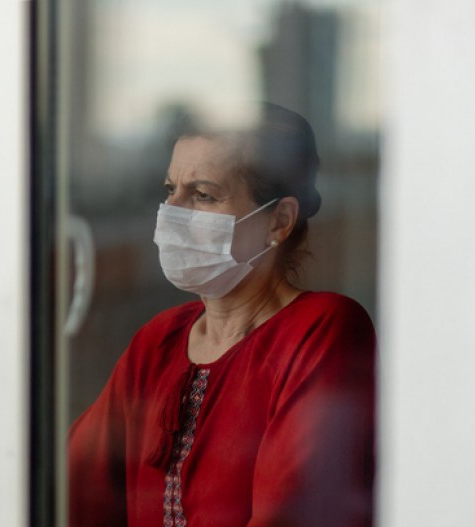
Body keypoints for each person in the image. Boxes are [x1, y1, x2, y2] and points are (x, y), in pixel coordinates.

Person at [68, 103, 375, 527]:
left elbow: (291, 512)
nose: (173, 212)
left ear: (279, 221)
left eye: (203, 194)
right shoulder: (159, 341)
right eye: (170, 190)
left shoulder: (323, 329)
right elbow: (64, 492)